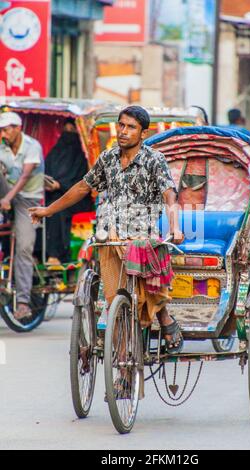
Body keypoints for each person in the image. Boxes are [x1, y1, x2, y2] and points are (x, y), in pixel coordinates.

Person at [29, 106, 185, 353]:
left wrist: (175, 226)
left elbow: (169, 194)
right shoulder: (107, 158)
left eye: (131, 127)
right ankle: (123, 361)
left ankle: (164, 317)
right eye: (121, 125)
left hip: (141, 236)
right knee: (114, 300)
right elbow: (82, 187)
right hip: (109, 236)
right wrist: (47, 210)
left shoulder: (154, 160)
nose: (123, 131)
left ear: (143, 133)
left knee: (149, 283)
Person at [0, 112, 44, 320]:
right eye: (1, 130)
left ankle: (24, 302)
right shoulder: (2, 147)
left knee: (24, 247)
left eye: (7, 129)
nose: (3, 133)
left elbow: (25, 176)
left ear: (17, 128)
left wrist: (8, 198)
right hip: (5, 196)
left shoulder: (32, 146)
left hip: (28, 200)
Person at [44, 118, 92, 264]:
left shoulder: (82, 156)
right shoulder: (55, 152)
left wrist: (61, 185)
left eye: (72, 131)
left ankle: (56, 255)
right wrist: (49, 183)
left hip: (79, 199)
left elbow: (82, 183)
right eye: (66, 131)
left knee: (58, 208)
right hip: (54, 195)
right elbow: (46, 171)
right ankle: (39, 253)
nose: (68, 134)